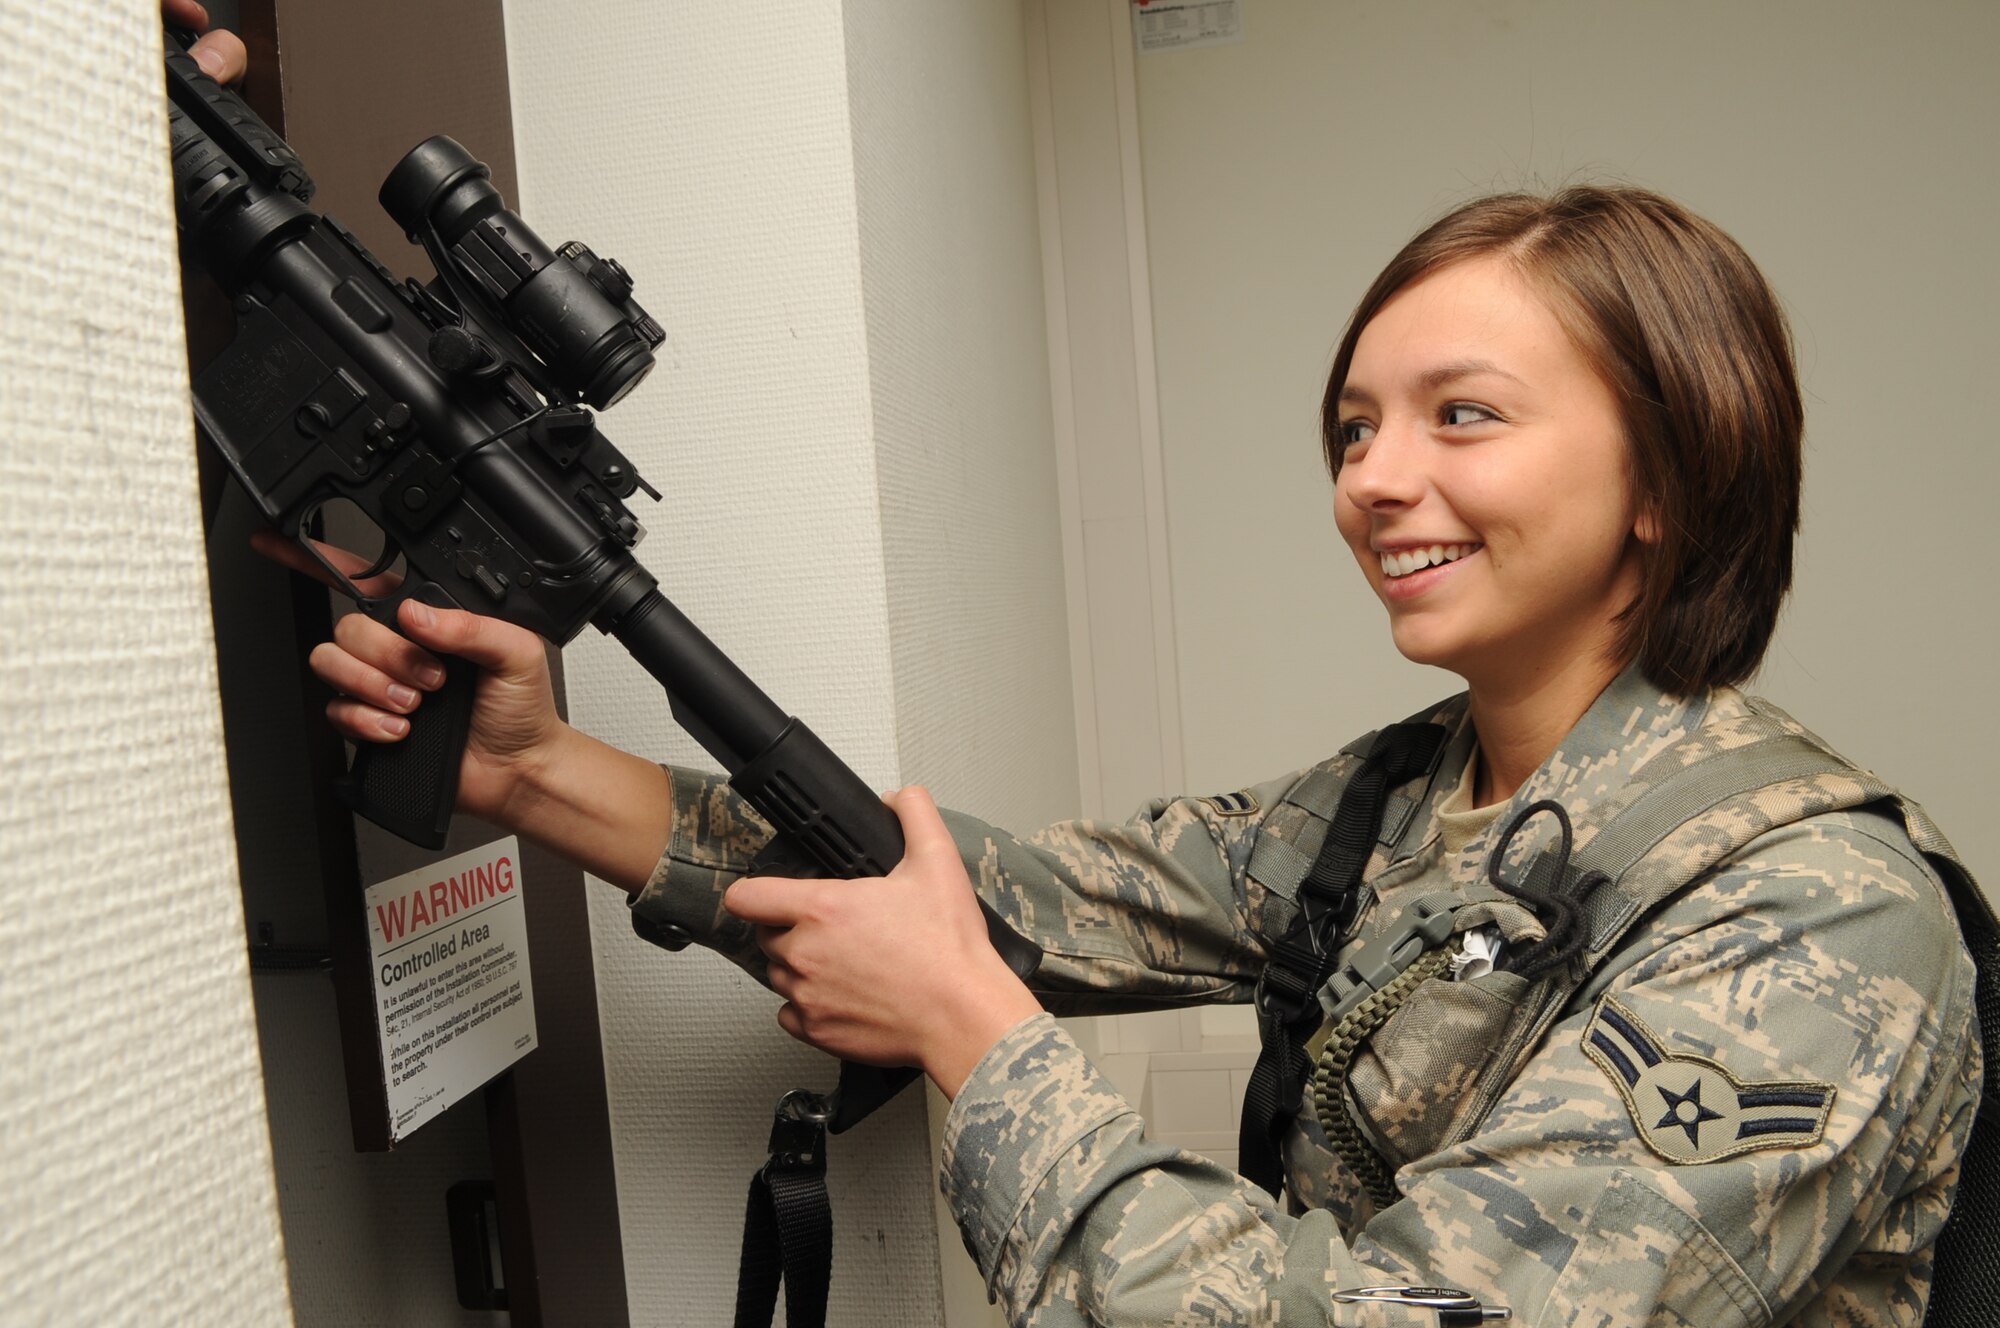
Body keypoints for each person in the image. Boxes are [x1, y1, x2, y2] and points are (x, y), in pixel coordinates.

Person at [219, 14, 1976, 1307]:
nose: (1375, 478)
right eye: (1353, 424)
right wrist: (537, 771)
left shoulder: (1813, 914)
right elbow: (1007, 895)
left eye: (1465, 417)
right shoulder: (1399, 797)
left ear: (1670, 475)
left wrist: (972, 1036)